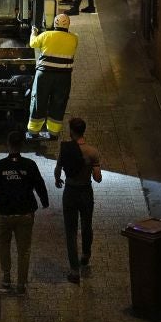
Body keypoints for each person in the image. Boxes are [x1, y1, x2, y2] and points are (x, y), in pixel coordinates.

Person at [0, 130, 49, 295]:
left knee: (4, 245)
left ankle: (6, 279)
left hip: (5, 213)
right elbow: (40, 184)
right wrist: (44, 201)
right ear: (22, 144)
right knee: (24, 250)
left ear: (8, 144)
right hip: (25, 213)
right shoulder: (30, 165)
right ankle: (21, 284)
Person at [54, 117, 102, 284]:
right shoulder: (92, 151)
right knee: (87, 225)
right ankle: (86, 255)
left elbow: (58, 169)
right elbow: (97, 178)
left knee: (71, 231)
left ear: (72, 131)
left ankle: (74, 271)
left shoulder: (66, 149)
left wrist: (57, 179)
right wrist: (95, 172)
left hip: (70, 191)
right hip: (86, 192)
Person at [27, 13, 79, 138]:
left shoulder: (46, 35)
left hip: (44, 75)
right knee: (59, 102)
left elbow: (32, 44)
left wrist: (33, 32)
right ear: (68, 25)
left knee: (39, 100)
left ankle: (33, 131)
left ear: (54, 23)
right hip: (63, 77)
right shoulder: (74, 38)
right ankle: (53, 132)